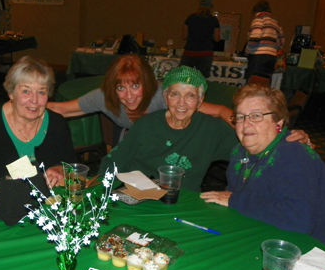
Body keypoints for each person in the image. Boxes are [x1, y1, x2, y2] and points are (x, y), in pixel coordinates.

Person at [200, 85, 325, 253]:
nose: (246, 124)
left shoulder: (294, 153)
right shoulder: (239, 152)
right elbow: (234, 204)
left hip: (309, 256)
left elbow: (299, 220)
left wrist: (235, 201)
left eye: (256, 116)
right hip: (260, 240)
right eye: (240, 117)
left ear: (278, 122)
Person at [98, 65, 238, 192]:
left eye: (190, 95)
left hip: (184, 204)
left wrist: (235, 194)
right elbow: (113, 161)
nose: (181, 103)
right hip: (138, 198)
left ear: (200, 100)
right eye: (175, 94)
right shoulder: (147, 124)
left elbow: (250, 154)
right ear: (165, 97)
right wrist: (103, 194)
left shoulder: (212, 130)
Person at [0, 56, 76, 187]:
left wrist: (60, 169)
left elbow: (70, 167)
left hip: (48, 203)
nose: (34, 100)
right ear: (11, 93)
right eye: (26, 91)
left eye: (41, 92)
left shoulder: (57, 124)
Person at [48, 54, 235, 134]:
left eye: (135, 86)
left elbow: (220, 110)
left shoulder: (162, 94)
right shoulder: (104, 96)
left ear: (146, 83)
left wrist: (246, 130)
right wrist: (21, 105)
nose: (129, 95)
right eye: (121, 88)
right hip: (130, 139)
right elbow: (61, 109)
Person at [179, 0, 220, 78]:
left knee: (183, 77)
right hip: (205, 53)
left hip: (190, 51)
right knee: (202, 79)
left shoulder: (190, 18)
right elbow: (217, 38)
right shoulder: (213, 20)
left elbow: (184, 36)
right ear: (211, 7)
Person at [244, 0, 284, 82]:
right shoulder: (275, 22)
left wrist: (247, 51)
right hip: (271, 57)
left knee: (252, 83)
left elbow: (255, 37)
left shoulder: (259, 18)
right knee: (264, 83)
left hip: (258, 56)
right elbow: (281, 42)